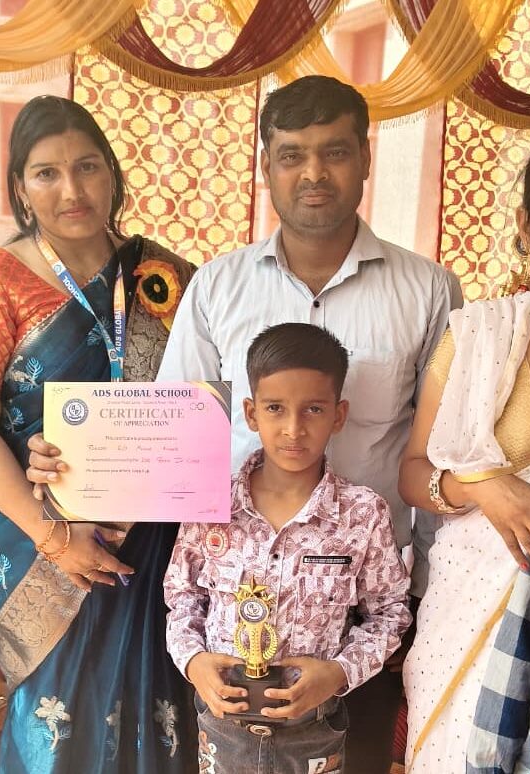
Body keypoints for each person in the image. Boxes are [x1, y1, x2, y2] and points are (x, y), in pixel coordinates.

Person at [154, 74, 463, 773]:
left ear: (365, 159)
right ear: (267, 167)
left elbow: (446, 444)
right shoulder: (217, 287)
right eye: (292, 155)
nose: (314, 173)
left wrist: (426, 592)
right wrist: (76, 473)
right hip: (231, 602)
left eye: (335, 152)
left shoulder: (428, 291)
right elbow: (176, 434)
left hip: (362, 610)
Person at [0, 96, 197, 773]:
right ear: (20, 187)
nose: (71, 190)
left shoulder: (166, 276)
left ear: (113, 174)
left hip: (154, 541)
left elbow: (201, 404)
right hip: (43, 541)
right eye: (47, 173)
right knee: (57, 718)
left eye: (87, 166)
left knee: (158, 710)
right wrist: (53, 537)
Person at [164, 322, 412, 774]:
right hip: (222, 725)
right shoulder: (211, 504)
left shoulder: (362, 514)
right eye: (275, 408)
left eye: (313, 409)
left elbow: (389, 613)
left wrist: (339, 673)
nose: (293, 429)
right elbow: (182, 598)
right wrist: (193, 661)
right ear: (251, 413)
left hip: (314, 728)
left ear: (338, 415)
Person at [398, 143, 530, 772]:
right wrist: (486, 488)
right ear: (526, 225)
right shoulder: (479, 336)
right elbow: (412, 473)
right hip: (466, 619)